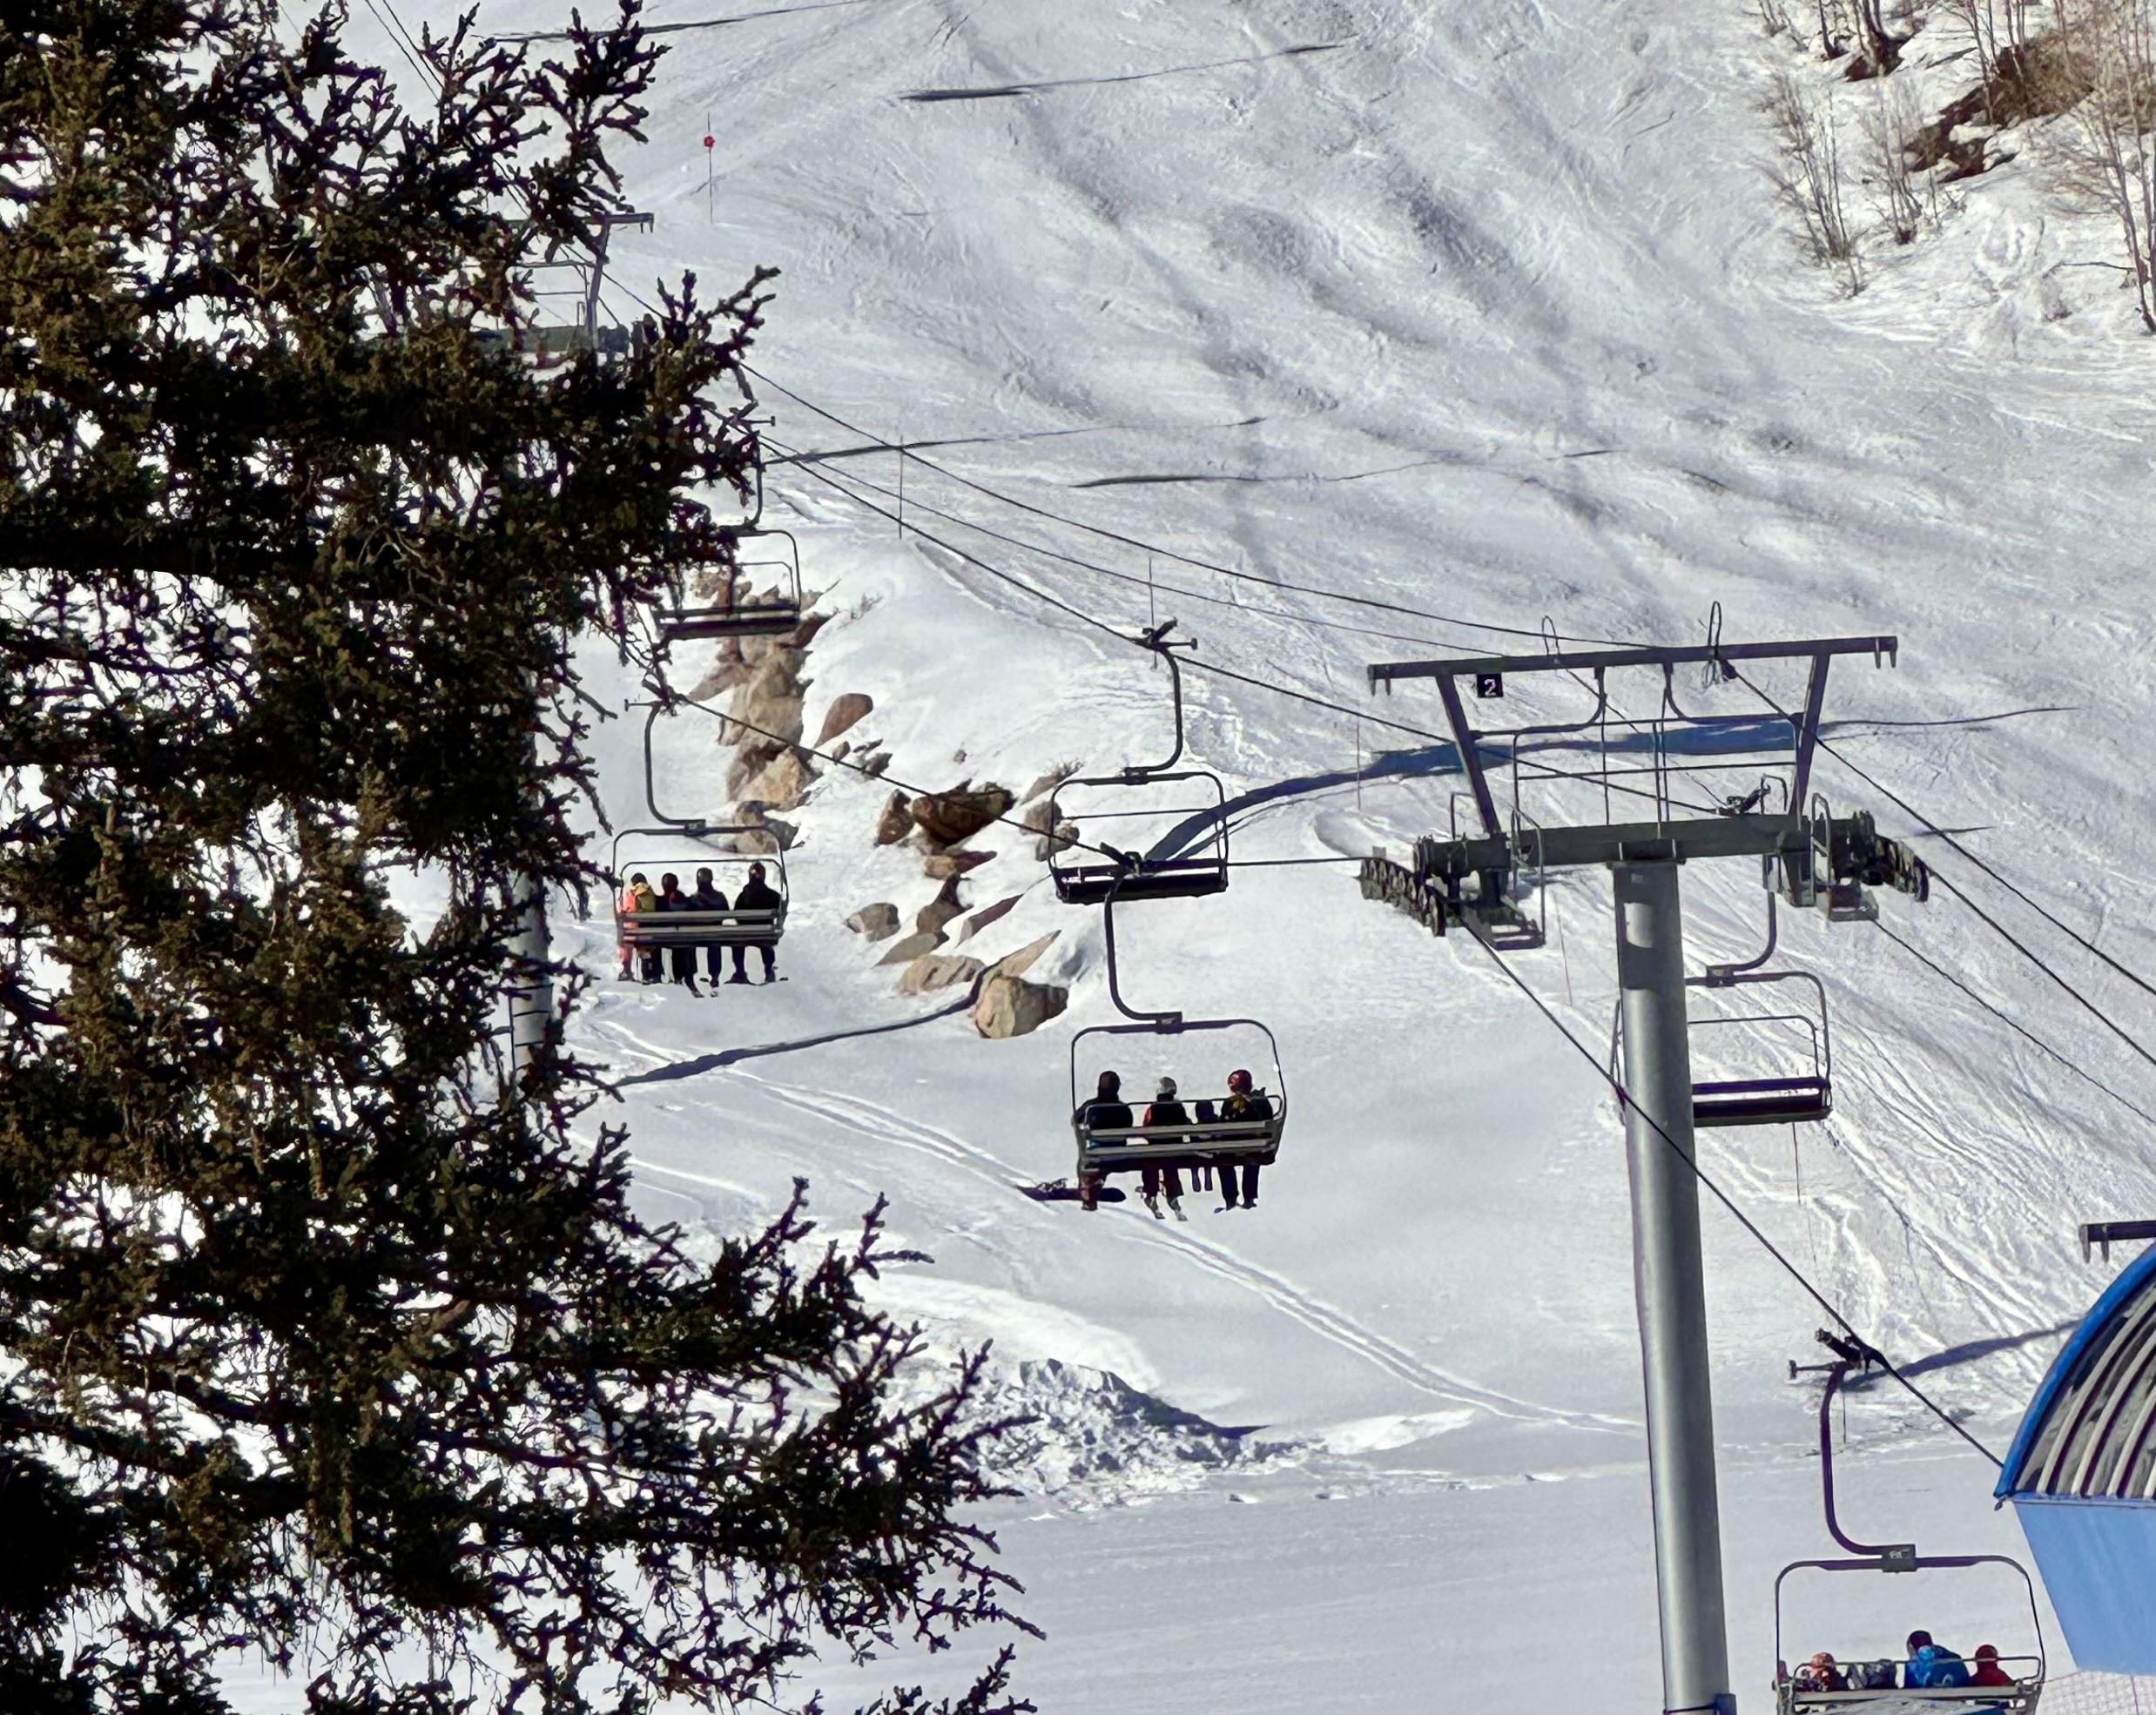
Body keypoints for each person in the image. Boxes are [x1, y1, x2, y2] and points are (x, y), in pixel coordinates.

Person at [1216, 1067, 1274, 1211]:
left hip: (1230, 1148)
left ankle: (1230, 1199)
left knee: (1224, 1161)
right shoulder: (1260, 1101)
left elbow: (1223, 1125)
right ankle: (1249, 1197)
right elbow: (1269, 1119)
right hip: (1254, 1147)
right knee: (1252, 1158)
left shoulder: (1229, 1103)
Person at [1076, 1070, 1133, 1209]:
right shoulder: (1124, 1109)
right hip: (1119, 1156)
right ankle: (1097, 1182)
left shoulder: (1091, 1106)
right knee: (1104, 1154)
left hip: (1097, 1155)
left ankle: (1088, 1188)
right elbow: (1128, 1126)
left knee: (1086, 1157)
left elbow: (1076, 1119)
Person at [1140, 1076, 1190, 1218]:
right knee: (1170, 1165)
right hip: (1175, 1150)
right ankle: (1173, 1193)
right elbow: (1185, 1127)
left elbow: (1146, 1129)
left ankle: (1151, 1192)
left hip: (1156, 1149)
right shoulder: (1179, 1108)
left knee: (1151, 1162)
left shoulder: (1153, 1108)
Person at [729, 861, 783, 984]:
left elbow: (737, 913)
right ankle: (769, 970)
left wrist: (743, 924)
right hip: (766, 934)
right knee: (766, 942)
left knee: (737, 942)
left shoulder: (743, 896)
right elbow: (781, 910)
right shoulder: (773, 895)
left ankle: (740, 972)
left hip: (745, 935)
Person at [657, 872, 701, 995]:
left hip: (666, 937)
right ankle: (688, 977)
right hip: (685, 937)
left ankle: (677, 977)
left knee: (678, 943)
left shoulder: (661, 901)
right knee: (686, 943)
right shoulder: (686, 900)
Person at [688, 866, 730, 989]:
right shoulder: (720, 897)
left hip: (696, 937)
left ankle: (690, 975)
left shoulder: (693, 899)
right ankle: (715, 976)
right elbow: (727, 913)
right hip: (715, 936)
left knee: (687, 943)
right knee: (714, 943)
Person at [1905, 1631, 1972, 1690]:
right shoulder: (1951, 1656)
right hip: (1962, 1693)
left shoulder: (1915, 1663)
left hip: (1931, 1695)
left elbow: (1910, 1688)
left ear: (1911, 1647)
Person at [616, 871, 652, 979]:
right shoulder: (650, 893)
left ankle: (626, 969)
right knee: (645, 943)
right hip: (647, 934)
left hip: (631, 933)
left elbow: (620, 911)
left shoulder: (630, 894)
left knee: (626, 941)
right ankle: (648, 972)